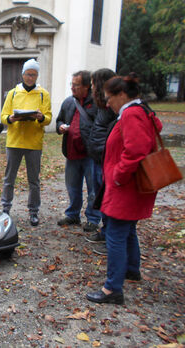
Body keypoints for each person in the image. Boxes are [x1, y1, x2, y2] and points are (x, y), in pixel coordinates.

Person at [86, 73, 162, 305]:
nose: (107, 103)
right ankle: (131, 269)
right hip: (132, 186)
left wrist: (118, 176)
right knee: (127, 230)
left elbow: (136, 150)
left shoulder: (130, 114)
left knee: (115, 234)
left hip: (126, 187)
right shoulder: (142, 111)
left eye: (110, 98)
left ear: (122, 95)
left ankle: (112, 289)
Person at [0, 59, 52, 226]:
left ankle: (33, 212)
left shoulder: (43, 93)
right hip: (14, 142)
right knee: (9, 178)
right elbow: (3, 117)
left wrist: (41, 117)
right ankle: (6, 208)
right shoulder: (13, 93)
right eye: (28, 74)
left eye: (34, 74)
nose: (31, 77)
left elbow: (48, 118)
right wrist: (11, 118)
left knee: (34, 181)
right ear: (23, 74)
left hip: (34, 143)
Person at [56, 70, 100, 232]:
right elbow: (59, 119)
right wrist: (60, 127)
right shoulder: (68, 102)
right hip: (72, 154)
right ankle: (73, 214)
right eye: (72, 84)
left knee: (93, 190)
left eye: (76, 85)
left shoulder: (96, 103)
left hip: (90, 155)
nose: (72, 88)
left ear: (87, 86)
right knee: (73, 188)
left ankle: (93, 218)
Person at [85, 69, 117, 256]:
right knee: (101, 197)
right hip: (97, 158)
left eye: (93, 83)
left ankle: (110, 237)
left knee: (108, 199)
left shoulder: (112, 106)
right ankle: (105, 232)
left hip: (105, 160)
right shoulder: (101, 105)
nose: (91, 87)